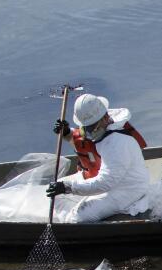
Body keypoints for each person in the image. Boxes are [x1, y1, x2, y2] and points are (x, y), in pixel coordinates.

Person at [47, 94, 151, 222]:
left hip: (125, 190)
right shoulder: (100, 130)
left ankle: (72, 223)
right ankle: (68, 221)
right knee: (55, 194)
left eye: (92, 126)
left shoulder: (117, 143)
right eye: (86, 127)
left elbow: (106, 182)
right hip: (102, 178)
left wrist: (68, 187)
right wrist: (67, 133)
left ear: (105, 117)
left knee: (77, 218)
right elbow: (87, 146)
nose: (89, 132)